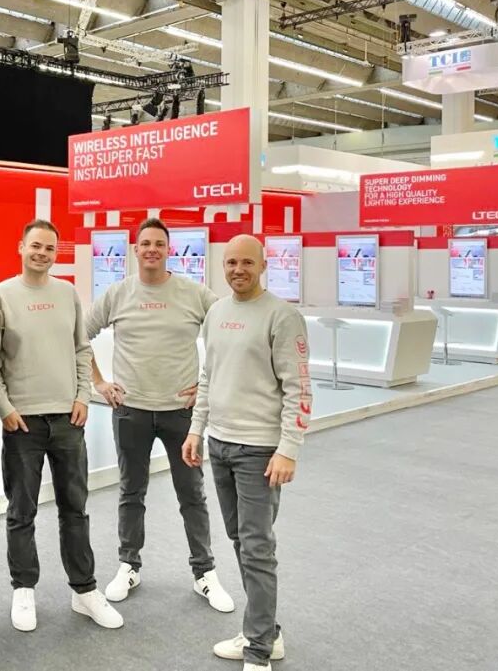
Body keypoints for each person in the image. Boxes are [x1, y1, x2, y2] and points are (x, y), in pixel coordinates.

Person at [86, 217, 233, 612]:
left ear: (169, 250)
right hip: (130, 411)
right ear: (135, 249)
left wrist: (207, 386)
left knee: (192, 493)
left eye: (159, 244)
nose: (152, 249)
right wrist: (99, 382)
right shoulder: (117, 293)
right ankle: (128, 565)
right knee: (131, 491)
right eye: (145, 243)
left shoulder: (193, 293)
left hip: (180, 414)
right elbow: (78, 336)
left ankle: (204, 572)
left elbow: (231, 334)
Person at [181, 234, 312, 671]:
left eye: (247, 263)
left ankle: (258, 651)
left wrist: (288, 449)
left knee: (256, 547)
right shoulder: (217, 312)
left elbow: (299, 389)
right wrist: (197, 430)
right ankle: (266, 632)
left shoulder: (283, 316)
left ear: (263, 266)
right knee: (241, 540)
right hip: (219, 445)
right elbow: (208, 377)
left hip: (260, 451)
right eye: (231, 262)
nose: (238, 270)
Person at [0, 219, 124, 633]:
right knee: (21, 511)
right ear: (21, 247)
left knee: (75, 509)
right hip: (22, 422)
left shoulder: (67, 294)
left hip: (68, 419)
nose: (42, 253)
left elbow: (82, 349)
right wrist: (4, 407)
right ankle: (23, 589)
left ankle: (84, 590)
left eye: (49, 248)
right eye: (35, 246)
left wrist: (83, 396)